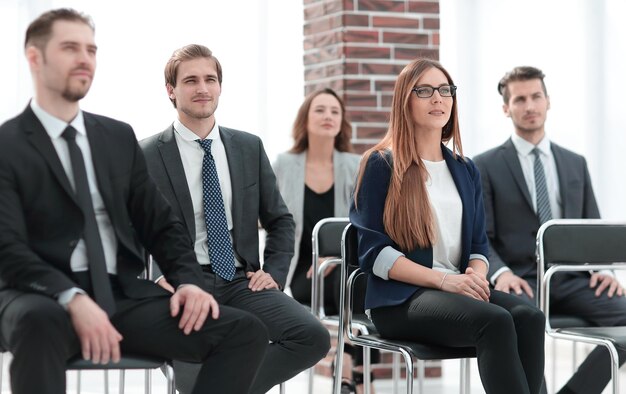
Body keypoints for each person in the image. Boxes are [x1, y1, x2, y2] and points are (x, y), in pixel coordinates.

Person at [0, 9, 268, 394]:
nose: (84, 59)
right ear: (34, 58)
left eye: (91, 50)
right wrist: (72, 298)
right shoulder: (7, 145)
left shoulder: (115, 137)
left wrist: (188, 282)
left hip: (119, 296)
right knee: (37, 323)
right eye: (70, 48)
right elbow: (7, 248)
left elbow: (161, 225)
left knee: (244, 331)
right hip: (37, 296)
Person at [140, 44, 330, 394]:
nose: (202, 88)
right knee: (191, 371)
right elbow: (128, 230)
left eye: (210, 79)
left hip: (241, 282)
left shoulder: (248, 147)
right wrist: (153, 279)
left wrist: (272, 273)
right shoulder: (145, 154)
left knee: (312, 337)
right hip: (183, 284)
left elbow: (280, 221)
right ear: (171, 90)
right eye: (191, 80)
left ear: (220, 87)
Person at [350, 58, 546, 394]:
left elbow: (478, 245)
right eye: (424, 91)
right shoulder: (382, 163)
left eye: (445, 90)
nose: (437, 98)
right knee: (495, 321)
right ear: (404, 101)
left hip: (455, 290)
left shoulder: (464, 168)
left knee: (530, 317)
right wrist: (445, 281)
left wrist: (474, 275)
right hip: (400, 301)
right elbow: (374, 255)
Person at [473, 65, 626, 394]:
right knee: (521, 323)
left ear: (548, 101)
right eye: (520, 99)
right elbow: (481, 234)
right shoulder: (485, 165)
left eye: (536, 97)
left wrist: (601, 270)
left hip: (570, 279)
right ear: (506, 108)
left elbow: (591, 226)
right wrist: (500, 273)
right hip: (520, 280)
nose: (529, 106)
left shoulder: (575, 163)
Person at [273, 88, 375, 394]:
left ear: (342, 122)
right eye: (320, 110)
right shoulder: (283, 165)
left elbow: (366, 223)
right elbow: (266, 218)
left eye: (334, 111)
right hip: (302, 270)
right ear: (305, 118)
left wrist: (331, 255)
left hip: (343, 262)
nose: (328, 116)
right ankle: (357, 374)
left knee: (352, 280)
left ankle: (345, 369)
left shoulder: (356, 165)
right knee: (351, 286)